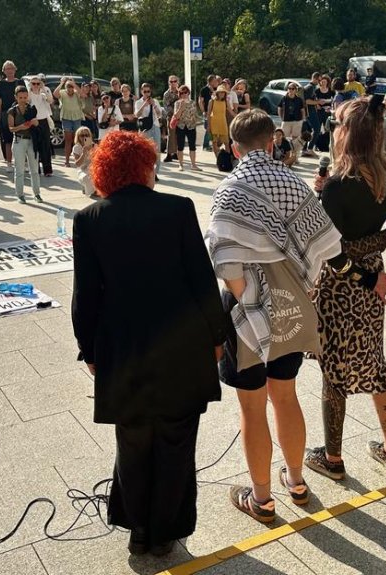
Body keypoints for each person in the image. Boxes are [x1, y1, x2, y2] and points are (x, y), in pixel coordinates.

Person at [71, 130, 226, 557]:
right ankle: (165, 532)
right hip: (181, 343)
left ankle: (139, 530)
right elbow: (201, 280)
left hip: (123, 349)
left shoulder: (89, 219)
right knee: (176, 440)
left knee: (134, 438)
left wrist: (89, 349)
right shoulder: (178, 209)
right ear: (146, 166)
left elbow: (86, 296)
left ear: (104, 171)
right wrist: (217, 337)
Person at [207, 110, 344, 523]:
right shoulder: (292, 182)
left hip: (244, 309)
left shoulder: (228, 190)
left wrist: (248, 300)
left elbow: (222, 257)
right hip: (290, 303)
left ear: (234, 147)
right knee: (285, 395)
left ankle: (262, 499)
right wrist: (299, 287)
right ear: (272, 142)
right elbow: (324, 247)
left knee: (251, 408)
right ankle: (298, 481)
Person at [307, 96, 386, 480]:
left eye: (337, 125)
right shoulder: (385, 176)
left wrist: (323, 197)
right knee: (375, 365)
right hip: (372, 288)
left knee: (335, 373)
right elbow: (375, 234)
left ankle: (332, 460)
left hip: (341, 289)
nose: (334, 130)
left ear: (347, 134)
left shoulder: (338, 185)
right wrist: (373, 277)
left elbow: (330, 251)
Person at [7, 86, 43, 203]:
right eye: (21, 97)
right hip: (19, 140)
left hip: (32, 140)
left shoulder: (32, 109)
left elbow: (37, 124)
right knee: (20, 169)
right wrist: (20, 127)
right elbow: (11, 128)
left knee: (34, 169)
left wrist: (35, 123)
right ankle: (20, 194)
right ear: (16, 97)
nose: (23, 100)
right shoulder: (12, 111)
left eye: (25, 97)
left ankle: (37, 194)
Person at [55, 78, 86, 166]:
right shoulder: (63, 93)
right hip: (66, 118)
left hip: (77, 118)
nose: (70, 88)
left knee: (78, 140)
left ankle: (80, 160)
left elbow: (83, 95)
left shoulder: (77, 93)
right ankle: (67, 161)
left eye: (71, 87)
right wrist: (61, 83)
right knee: (68, 140)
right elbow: (55, 94)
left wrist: (74, 84)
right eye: (68, 87)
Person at [28, 75, 55, 176]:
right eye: (33, 83)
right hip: (34, 121)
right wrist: (30, 88)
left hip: (44, 121)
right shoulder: (29, 93)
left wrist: (43, 88)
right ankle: (36, 169)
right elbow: (27, 100)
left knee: (46, 146)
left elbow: (50, 100)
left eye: (37, 83)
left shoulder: (44, 93)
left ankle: (47, 170)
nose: (35, 85)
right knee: (34, 146)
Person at [134, 83, 162, 178]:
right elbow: (137, 115)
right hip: (145, 128)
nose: (146, 93)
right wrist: (144, 105)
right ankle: (147, 172)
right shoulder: (138, 102)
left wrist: (154, 105)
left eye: (148, 91)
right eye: (144, 91)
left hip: (155, 126)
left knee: (156, 150)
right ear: (141, 92)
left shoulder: (155, 101)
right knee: (145, 150)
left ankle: (155, 172)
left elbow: (159, 115)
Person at [172, 85, 201, 171]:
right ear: (179, 94)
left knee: (192, 146)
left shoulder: (193, 103)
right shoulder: (177, 103)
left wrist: (201, 119)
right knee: (180, 146)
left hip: (191, 126)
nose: (184, 94)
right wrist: (181, 107)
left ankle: (193, 165)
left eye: (186, 92)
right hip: (180, 126)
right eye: (182, 93)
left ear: (188, 93)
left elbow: (195, 115)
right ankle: (181, 165)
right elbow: (176, 116)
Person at [0, 61, 19, 166]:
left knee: (21, 139)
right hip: (6, 113)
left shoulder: (20, 82)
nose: (9, 71)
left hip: (19, 112)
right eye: (7, 69)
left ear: (15, 69)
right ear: (4, 71)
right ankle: (9, 162)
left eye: (11, 68)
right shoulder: (1, 84)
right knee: (8, 140)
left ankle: (22, 162)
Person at [277, 82, 307, 162]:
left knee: (296, 139)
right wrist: (281, 117)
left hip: (297, 120)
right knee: (284, 138)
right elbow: (279, 108)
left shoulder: (299, 99)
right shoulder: (284, 98)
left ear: (295, 90)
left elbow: (302, 110)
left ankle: (295, 157)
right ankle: (285, 157)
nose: (290, 90)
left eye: (292, 89)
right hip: (286, 120)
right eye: (289, 88)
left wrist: (303, 119)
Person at [303, 72, 323, 156]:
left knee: (308, 130)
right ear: (314, 78)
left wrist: (316, 104)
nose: (320, 82)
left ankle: (305, 149)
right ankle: (310, 148)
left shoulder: (312, 87)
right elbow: (307, 101)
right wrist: (318, 102)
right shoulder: (310, 87)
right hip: (309, 112)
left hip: (311, 111)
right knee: (317, 129)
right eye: (319, 80)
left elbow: (311, 100)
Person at [71, 126, 94, 196]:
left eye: (86, 135)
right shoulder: (76, 147)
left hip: (92, 167)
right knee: (86, 177)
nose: (84, 137)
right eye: (82, 135)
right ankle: (90, 190)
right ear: (78, 137)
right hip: (82, 169)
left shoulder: (93, 145)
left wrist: (92, 150)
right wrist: (84, 153)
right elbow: (78, 164)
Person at [207, 86, 231, 155]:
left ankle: (227, 159)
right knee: (214, 142)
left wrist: (237, 116)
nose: (222, 94)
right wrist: (208, 125)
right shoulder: (212, 101)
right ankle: (217, 159)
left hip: (223, 123)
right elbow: (208, 114)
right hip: (214, 123)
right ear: (217, 93)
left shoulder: (226, 101)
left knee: (226, 143)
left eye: (223, 93)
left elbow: (230, 111)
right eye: (220, 92)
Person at [162, 76, 181, 162]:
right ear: (169, 83)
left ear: (178, 82)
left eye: (175, 81)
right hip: (171, 117)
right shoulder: (166, 94)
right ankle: (169, 154)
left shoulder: (181, 92)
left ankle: (176, 153)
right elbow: (166, 106)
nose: (173, 83)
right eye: (171, 81)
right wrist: (175, 112)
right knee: (171, 135)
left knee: (179, 135)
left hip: (181, 117)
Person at [199, 75, 219, 151]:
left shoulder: (216, 89)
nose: (215, 82)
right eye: (214, 81)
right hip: (207, 111)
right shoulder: (204, 90)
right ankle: (205, 145)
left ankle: (214, 144)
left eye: (216, 81)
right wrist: (203, 111)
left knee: (214, 128)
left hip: (216, 112)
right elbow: (200, 101)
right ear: (209, 82)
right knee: (208, 127)